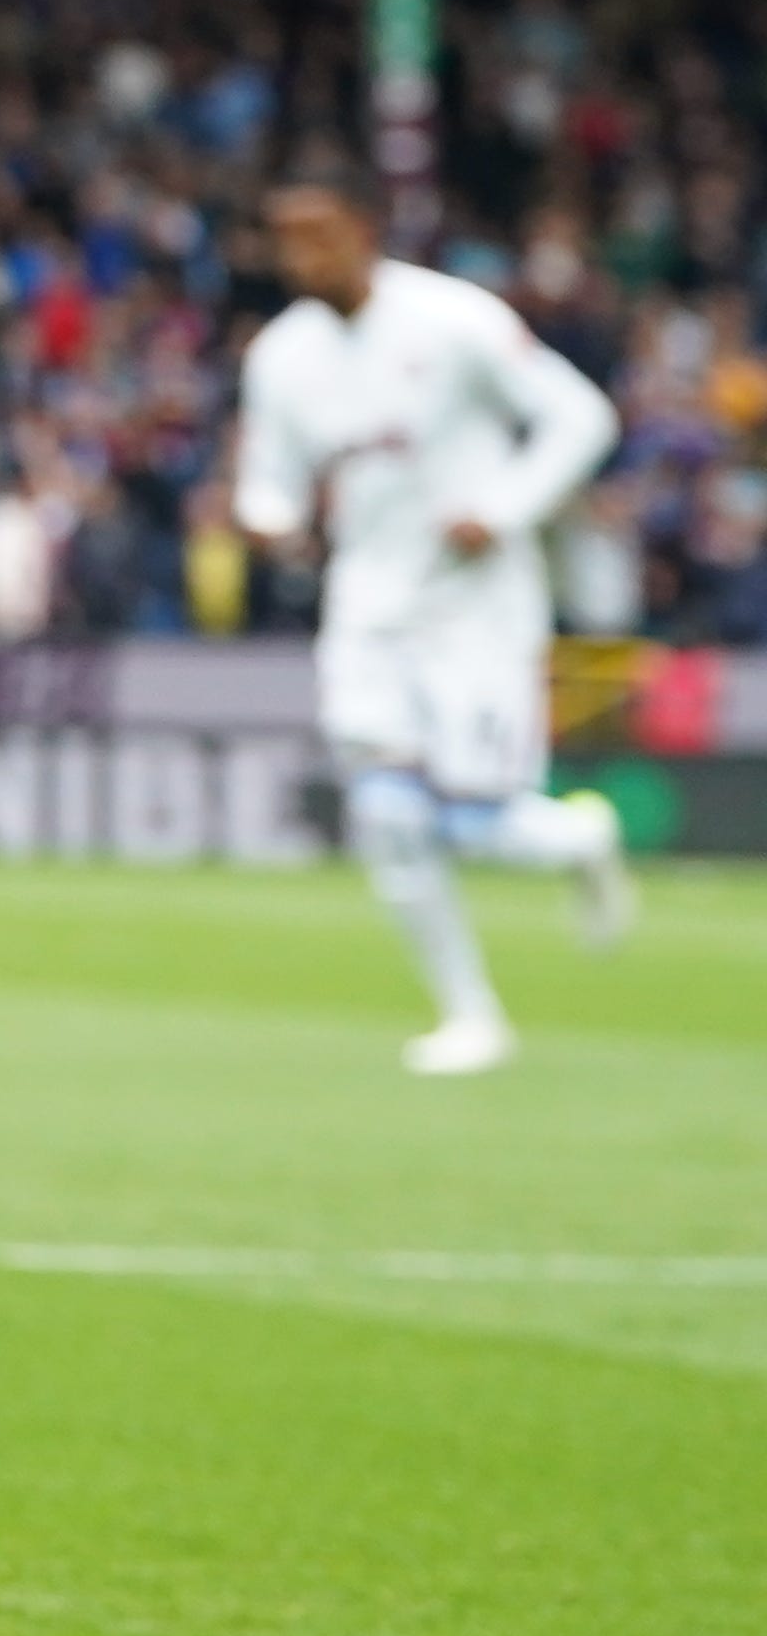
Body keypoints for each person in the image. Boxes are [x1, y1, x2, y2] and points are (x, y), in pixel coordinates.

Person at [228, 172, 633, 1074]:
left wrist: (504, 505)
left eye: (320, 234)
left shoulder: (455, 321)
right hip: (368, 602)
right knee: (386, 812)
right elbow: (269, 476)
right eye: (286, 241)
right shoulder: (282, 358)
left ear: (364, 232)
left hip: (476, 603)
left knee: (474, 819)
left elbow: (580, 417)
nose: (304, 257)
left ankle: (581, 838)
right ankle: (469, 1016)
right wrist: (268, 518)